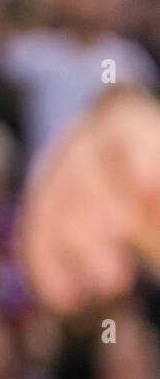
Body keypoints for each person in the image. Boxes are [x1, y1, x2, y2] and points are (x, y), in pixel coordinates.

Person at [20, 83, 160, 317]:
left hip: (64, 296)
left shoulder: (63, 152)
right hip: (78, 291)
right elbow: (149, 180)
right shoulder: (129, 121)